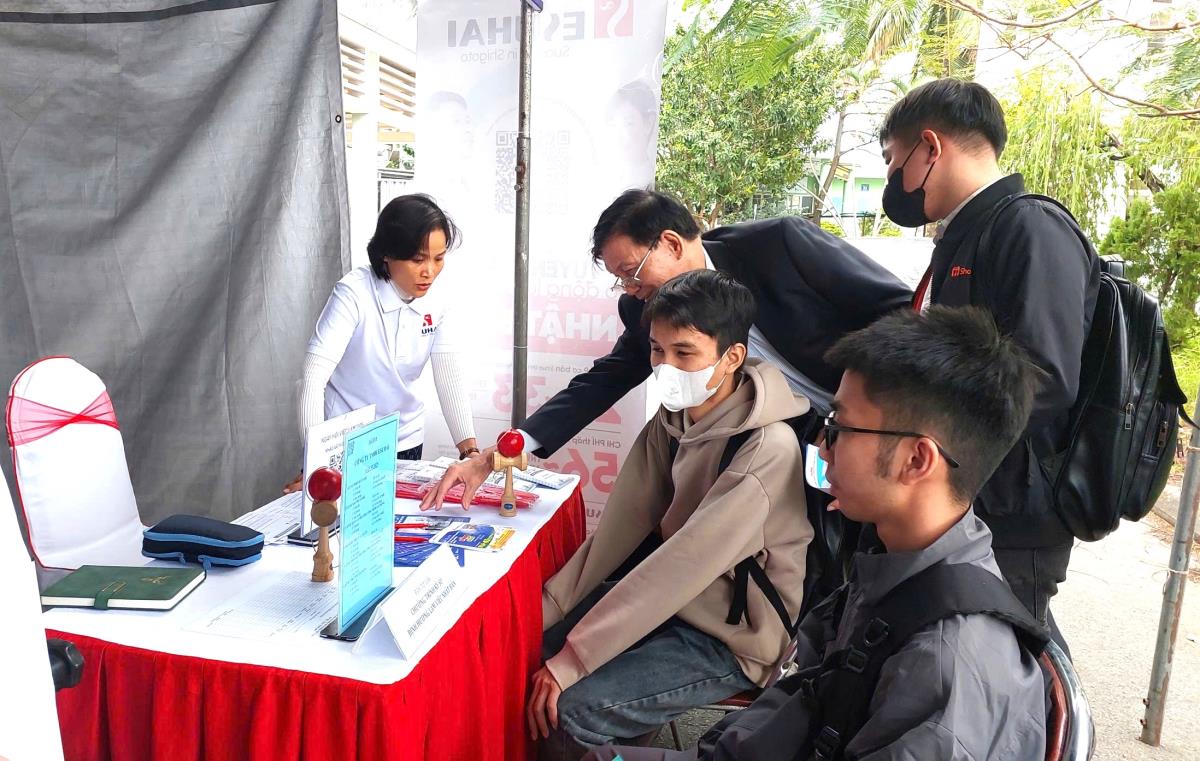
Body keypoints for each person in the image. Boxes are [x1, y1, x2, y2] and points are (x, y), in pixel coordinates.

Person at [586, 305, 1048, 761]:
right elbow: (798, 708)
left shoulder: (944, 669)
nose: (822, 448)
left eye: (839, 428)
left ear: (916, 461)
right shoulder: (896, 565)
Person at [420, 189, 911, 510]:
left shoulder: (778, 246)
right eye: (619, 280)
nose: (631, 290)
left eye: (631, 273)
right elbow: (600, 383)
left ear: (672, 243)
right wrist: (502, 452)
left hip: (885, 422)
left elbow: (898, 308)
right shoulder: (644, 310)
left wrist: (870, 408)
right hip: (785, 451)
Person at [530, 269, 812, 760]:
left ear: (732, 358)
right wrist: (544, 609)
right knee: (535, 645)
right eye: (658, 351)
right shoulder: (673, 421)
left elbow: (679, 567)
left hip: (734, 638)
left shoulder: (766, 447)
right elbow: (618, 529)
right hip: (677, 604)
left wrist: (574, 661)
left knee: (570, 708)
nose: (666, 368)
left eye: (685, 353)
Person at [877, 78, 1100, 641]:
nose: (892, 180)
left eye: (893, 160)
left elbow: (1042, 376)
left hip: (1011, 509)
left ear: (930, 147)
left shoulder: (1030, 227)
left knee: (1010, 656)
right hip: (971, 495)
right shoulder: (969, 235)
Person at [285, 194, 477, 493]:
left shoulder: (439, 299)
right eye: (418, 259)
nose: (429, 271)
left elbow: (448, 375)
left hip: (405, 440)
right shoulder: (354, 293)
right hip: (345, 444)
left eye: (438, 259)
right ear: (387, 254)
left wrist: (470, 452)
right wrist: (315, 464)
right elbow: (312, 379)